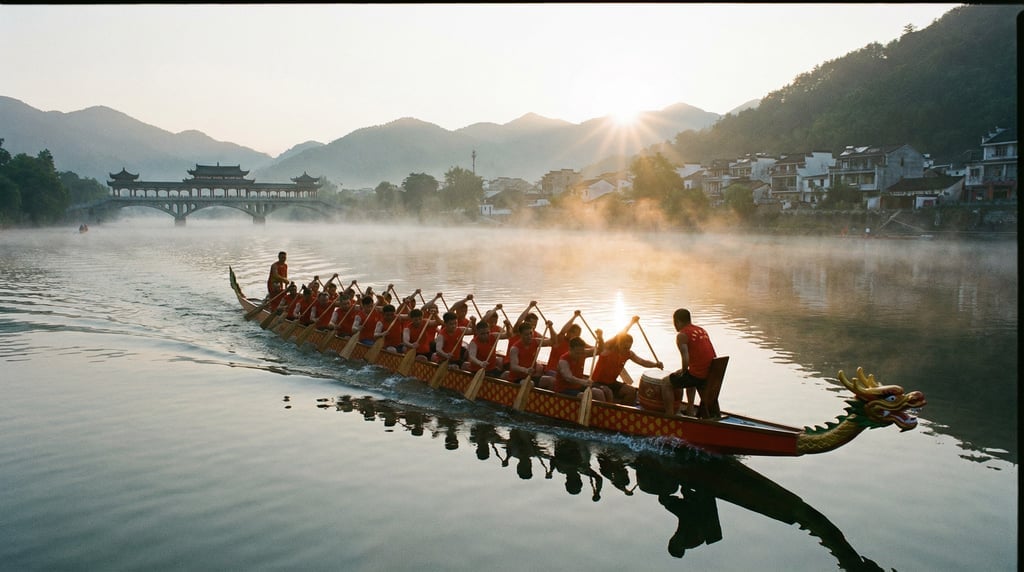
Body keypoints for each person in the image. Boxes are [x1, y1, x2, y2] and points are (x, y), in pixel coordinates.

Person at [664, 308, 717, 416]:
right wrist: (685, 371)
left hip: (700, 375)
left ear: (677, 321)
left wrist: (683, 371)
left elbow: (685, 357)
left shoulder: (682, 335)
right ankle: (690, 409)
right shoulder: (701, 330)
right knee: (689, 376)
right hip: (712, 371)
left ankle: (669, 415)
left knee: (665, 383)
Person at [590, 329, 663, 406]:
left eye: (629, 347)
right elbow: (603, 345)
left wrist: (656, 365)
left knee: (631, 391)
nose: (627, 350)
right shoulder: (607, 350)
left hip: (612, 383)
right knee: (608, 392)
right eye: (625, 347)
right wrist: (600, 337)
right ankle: (610, 411)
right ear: (619, 343)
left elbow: (642, 362)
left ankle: (623, 409)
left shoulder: (629, 354)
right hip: (596, 382)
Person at [549, 337, 609, 401]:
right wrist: (584, 382)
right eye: (577, 353)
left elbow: (599, 350)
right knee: (583, 396)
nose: (580, 355)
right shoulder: (563, 361)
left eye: (581, 352)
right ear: (570, 349)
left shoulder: (583, 353)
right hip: (563, 390)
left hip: (577, 387)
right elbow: (568, 377)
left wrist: (600, 338)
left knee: (598, 392)